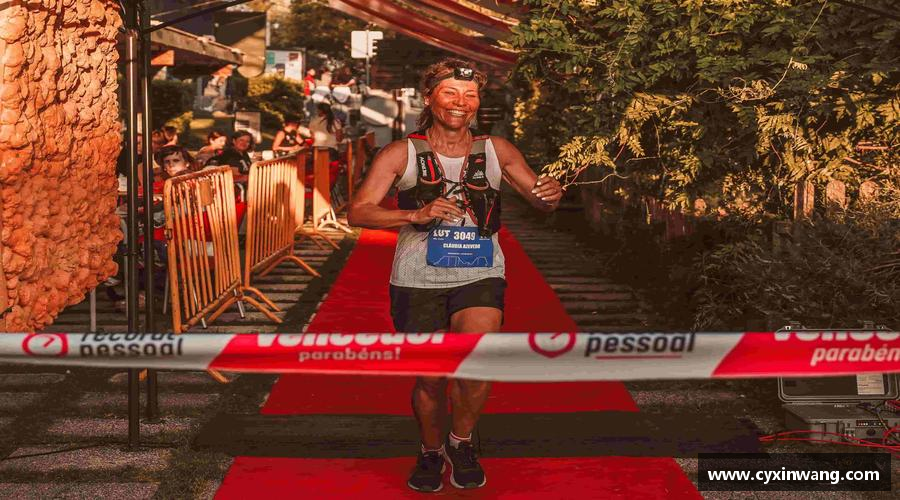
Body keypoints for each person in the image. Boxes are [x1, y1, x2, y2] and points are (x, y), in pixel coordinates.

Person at [347, 58, 563, 492]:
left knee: (477, 362)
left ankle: (460, 443)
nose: (460, 102)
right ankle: (430, 451)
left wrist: (551, 193)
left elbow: (541, 200)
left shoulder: (497, 150)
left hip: (480, 271)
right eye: (450, 92)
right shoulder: (400, 153)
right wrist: (414, 214)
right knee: (431, 377)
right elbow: (358, 211)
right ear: (429, 98)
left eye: (470, 95)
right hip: (417, 277)